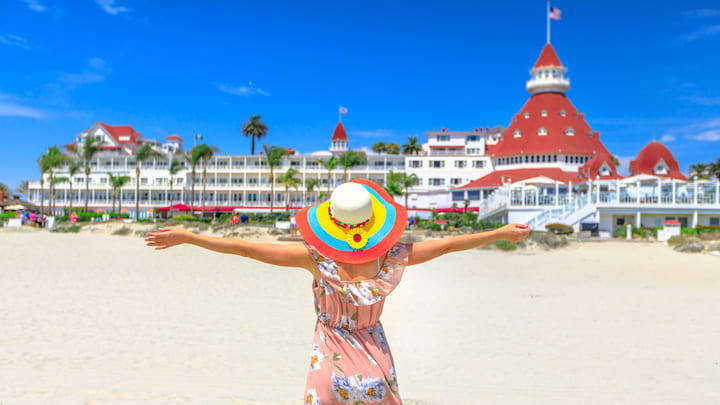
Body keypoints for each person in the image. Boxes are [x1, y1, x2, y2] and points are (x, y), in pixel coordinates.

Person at [145, 179, 530, 404]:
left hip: (331, 361)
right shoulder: (393, 258)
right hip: (375, 358)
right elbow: (448, 245)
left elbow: (246, 249)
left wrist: (188, 236)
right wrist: (499, 232)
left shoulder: (316, 260)